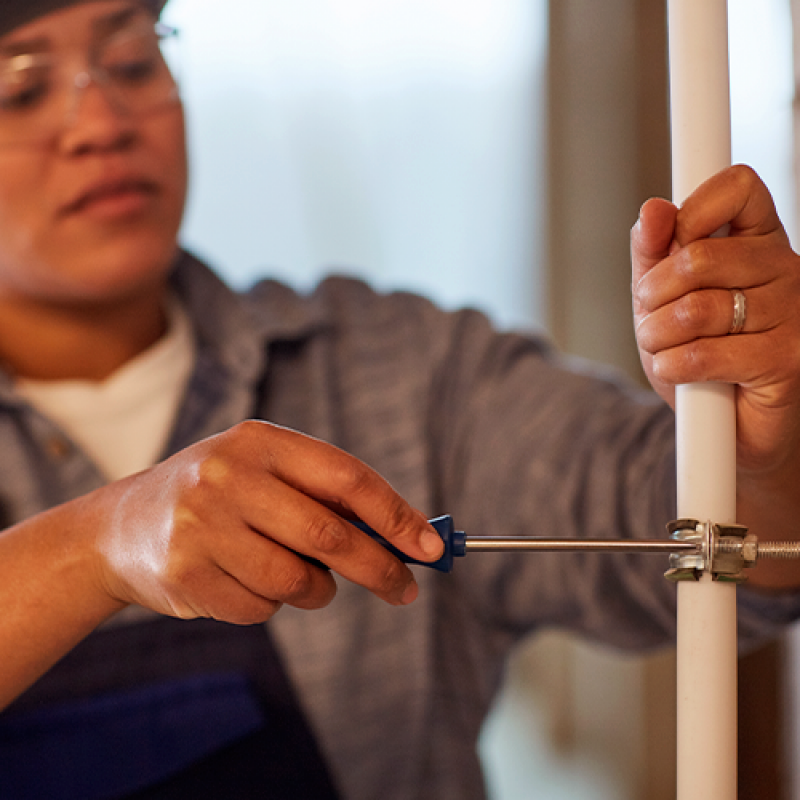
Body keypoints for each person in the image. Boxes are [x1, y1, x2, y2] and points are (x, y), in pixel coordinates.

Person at [1, 0, 800, 798]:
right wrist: (95, 545)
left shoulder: (407, 374)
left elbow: (698, 535)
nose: (100, 122)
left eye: (133, 59)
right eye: (22, 88)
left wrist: (763, 444)